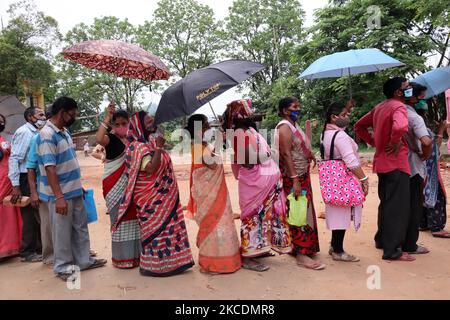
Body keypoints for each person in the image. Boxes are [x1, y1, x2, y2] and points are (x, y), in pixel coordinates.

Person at [115, 111, 195, 277]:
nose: (153, 124)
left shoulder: (150, 141)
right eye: (149, 122)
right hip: (150, 198)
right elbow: (151, 168)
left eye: (153, 121)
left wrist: (158, 145)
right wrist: (159, 147)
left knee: (169, 230)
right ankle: (156, 267)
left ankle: (174, 262)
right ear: (139, 125)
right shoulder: (137, 147)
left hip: (164, 196)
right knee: (156, 232)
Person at [37, 97, 107, 280]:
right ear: (62, 113)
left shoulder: (64, 132)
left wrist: (78, 187)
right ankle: (63, 267)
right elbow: (50, 168)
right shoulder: (46, 135)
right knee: (61, 231)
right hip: (61, 193)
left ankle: (83, 261)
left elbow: (68, 163)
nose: (73, 117)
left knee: (80, 227)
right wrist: (59, 196)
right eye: (72, 114)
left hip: (74, 190)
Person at [224, 99, 291, 272]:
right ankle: (248, 256)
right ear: (240, 115)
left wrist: (266, 154)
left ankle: (259, 249)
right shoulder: (239, 133)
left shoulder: (250, 130)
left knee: (264, 217)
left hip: (266, 182)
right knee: (252, 218)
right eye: (247, 111)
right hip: (254, 184)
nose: (250, 113)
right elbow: (246, 161)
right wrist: (264, 155)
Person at [354, 77, 416, 262]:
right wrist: (394, 141)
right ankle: (392, 250)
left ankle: (382, 240)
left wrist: (375, 142)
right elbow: (401, 126)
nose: (409, 90)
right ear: (398, 92)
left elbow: (359, 126)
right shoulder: (398, 107)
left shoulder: (379, 107)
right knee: (397, 208)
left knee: (387, 204)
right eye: (406, 88)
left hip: (381, 163)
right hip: (396, 163)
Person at [185, 114, 241, 274]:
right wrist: (218, 141)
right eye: (205, 124)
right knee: (214, 222)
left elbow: (212, 159)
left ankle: (224, 258)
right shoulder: (196, 145)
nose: (209, 127)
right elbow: (211, 164)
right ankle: (213, 263)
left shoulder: (202, 143)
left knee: (219, 221)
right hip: (208, 193)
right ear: (198, 127)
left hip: (214, 191)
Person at [275, 97, 324, 270]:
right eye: (294, 107)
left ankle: (303, 247)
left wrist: (309, 154)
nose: (298, 109)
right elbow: (286, 154)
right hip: (294, 176)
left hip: (302, 174)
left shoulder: (294, 126)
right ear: (285, 110)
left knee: (305, 209)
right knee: (298, 211)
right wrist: (295, 180)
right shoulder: (284, 128)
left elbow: (299, 146)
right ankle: (301, 254)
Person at [321, 102, 369, 262]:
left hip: (332, 177)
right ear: (334, 117)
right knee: (341, 212)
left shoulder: (325, 134)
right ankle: (338, 251)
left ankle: (335, 246)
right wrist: (363, 178)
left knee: (336, 211)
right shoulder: (339, 136)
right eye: (345, 114)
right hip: (342, 177)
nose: (348, 117)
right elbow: (350, 160)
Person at [96, 103, 140, 269]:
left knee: (134, 220)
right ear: (112, 126)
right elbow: (99, 139)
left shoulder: (133, 139)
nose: (121, 126)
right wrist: (108, 116)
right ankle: (122, 258)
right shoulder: (111, 138)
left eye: (124, 123)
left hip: (131, 186)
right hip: (113, 184)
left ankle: (135, 256)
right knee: (118, 219)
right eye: (117, 124)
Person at [8, 107, 46, 262]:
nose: (43, 117)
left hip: (33, 176)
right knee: (30, 215)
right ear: (30, 117)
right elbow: (14, 158)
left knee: (37, 213)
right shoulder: (24, 132)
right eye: (40, 114)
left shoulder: (35, 132)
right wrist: (16, 185)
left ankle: (38, 247)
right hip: (24, 178)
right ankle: (27, 252)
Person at [403, 82, 432, 254]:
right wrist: (426, 154)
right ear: (413, 97)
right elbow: (426, 141)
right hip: (414, 164)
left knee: (398, 204)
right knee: (415, 205)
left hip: (399, 163)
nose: (423, 100)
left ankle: (388, 239)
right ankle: (410, 244)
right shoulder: (415, 118)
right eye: (421, 96)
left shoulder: (397, 112)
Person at [414, 97, 450, 238]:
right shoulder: (422, 126)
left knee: (422, 195)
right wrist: (441, 130)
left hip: (418, 168)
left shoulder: (412, 123)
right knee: (436, 195)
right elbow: (432, 146)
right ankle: (436, 227)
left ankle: (423, 223)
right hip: (428, 169)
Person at [26, 111, 54, 265]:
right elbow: (30, 167)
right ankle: (50, 257)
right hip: (44, 187)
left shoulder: (64, 134)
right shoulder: (36, 138)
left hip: (62, 187)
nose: (43, 119)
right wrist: (33, 192)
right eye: (42, 116)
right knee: (47, 224)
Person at [0, 114, 23, 260]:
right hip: (2, 181)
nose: (1, 123)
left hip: (8, 179)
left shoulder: (4, 139)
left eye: (2, 121)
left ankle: (14, 246)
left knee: (12, 211)